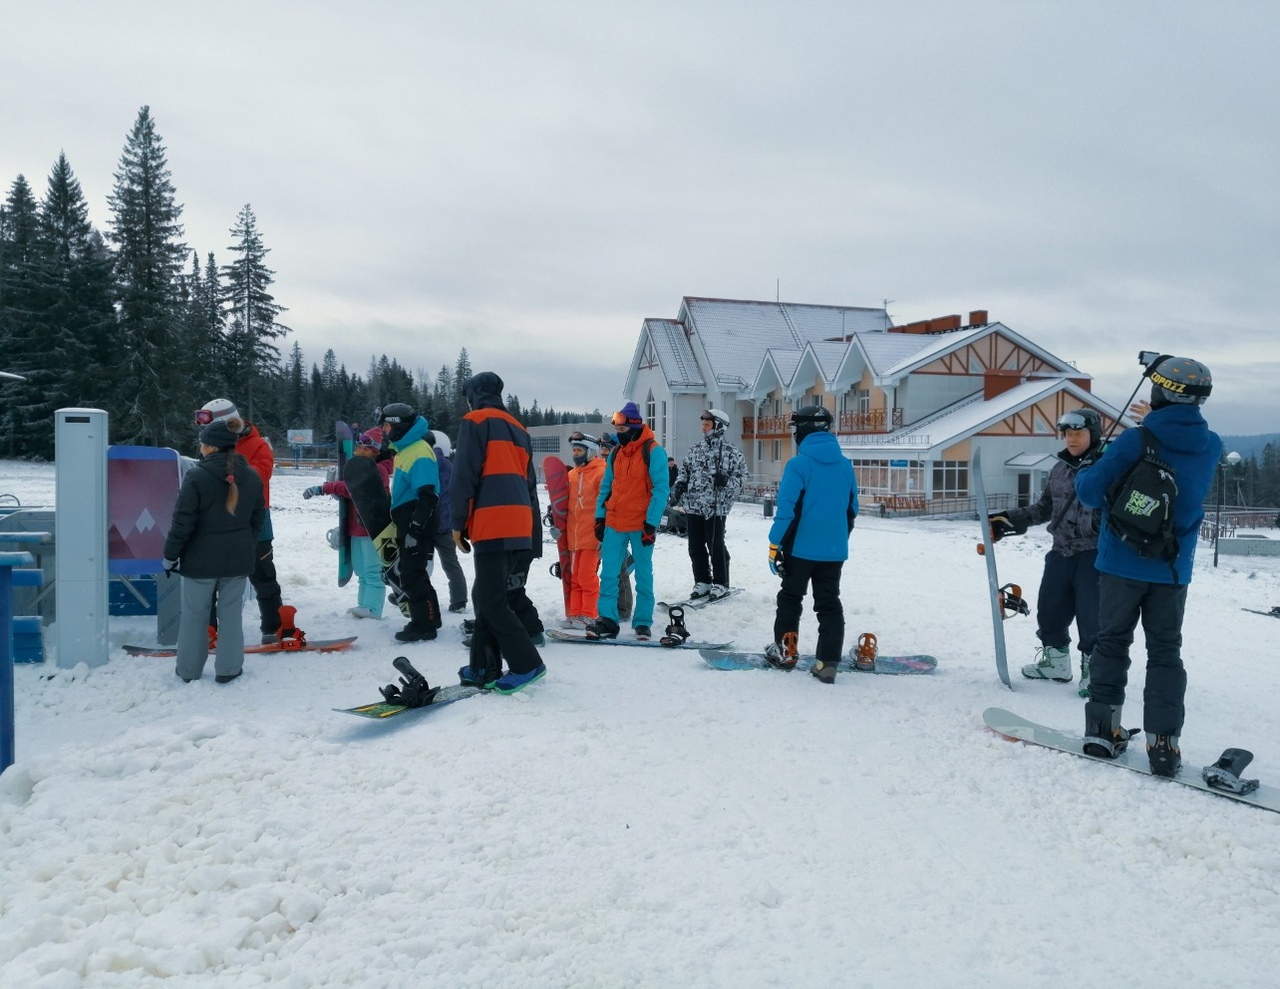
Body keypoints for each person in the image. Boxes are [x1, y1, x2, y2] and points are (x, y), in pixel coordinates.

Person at [1075, 356, 1220, 776]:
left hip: (1121, 563)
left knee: (1111, 643)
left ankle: (1103, 731)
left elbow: (1089, 493)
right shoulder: (1211, 444)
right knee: (1166, 653)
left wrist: (1097, 462)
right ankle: (1163, 745)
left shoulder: (1135, 440)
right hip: (1172, 569)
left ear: (1159, 393)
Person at [988, 408, 1103, 689]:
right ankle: (1056, 663)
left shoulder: (1106, 468)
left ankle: (1095, 672)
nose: (1071, 439)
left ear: (1093, 435)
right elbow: (1044, 508)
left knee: (1092, 616)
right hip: (1060, 551)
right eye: (1067, 434)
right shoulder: (1059, 469)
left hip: (1094, 553)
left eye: (1078, 434)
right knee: (1050, 609)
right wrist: (1009, 518)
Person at [451, 371, 547, 693]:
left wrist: (457, 522)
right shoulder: (519, 427)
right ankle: (484, 664)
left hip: (493, 519)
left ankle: (527, 664)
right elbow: (530, 482)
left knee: (491, 601)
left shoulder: (475, 421)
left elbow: (464, 475)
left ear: (473, 396)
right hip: (520, 520)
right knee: (486, 594)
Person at [164, 419, 265, 683]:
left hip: (199, 561)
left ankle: (188, 670)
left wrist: (170, 555)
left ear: (210, 446)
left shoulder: (196, 476)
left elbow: (182, 522)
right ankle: (229, 669)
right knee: (231, 615)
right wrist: (246, 545)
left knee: (194, 615)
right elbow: (258, 519)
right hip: (237, 560)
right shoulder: (252, 476)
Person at [764, 406, 858, 683]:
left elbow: (787, 511)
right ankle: (827, 663)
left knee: (791, 598)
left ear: (803, 430)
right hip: (834, 550)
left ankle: (786, 653)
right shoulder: (845, 465)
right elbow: (851, 509)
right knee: (829, 602)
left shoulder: (798, 465)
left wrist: (774, 545)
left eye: (796, 428)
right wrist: (838, 539)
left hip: (800, 548)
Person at [197, 399, 285, 642]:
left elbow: (260, 475)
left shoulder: (259, 446)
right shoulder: (211, 446)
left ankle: (274, 627)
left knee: (263, 575)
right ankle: (208, 629)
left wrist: (225, 472)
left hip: (254, 519)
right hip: (218, 519)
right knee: (210, 576)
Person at [587, 402, 669, 641]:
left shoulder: (654, 452)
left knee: (643, 575)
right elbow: (606, 487)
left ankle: (642, 622)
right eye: (617, 430)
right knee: (609, 574)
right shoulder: (616, 453)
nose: (618, 435)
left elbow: (661, 490)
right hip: (614, 522)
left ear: (634, 427)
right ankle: (607, 620)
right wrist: (599, 517)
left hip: (642, 525)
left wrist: (651, 524)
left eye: (622, 430)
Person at [304, 428, 393, 619]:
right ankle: (364, 604)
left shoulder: (378, 470)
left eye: (365, 446)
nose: (360, 449)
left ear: (375, 451)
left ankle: (373, 608)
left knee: (372, 570)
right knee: (361, 570)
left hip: (373, 528)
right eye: (359, 445)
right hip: (357, 527)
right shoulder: (362, 468)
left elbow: (352, 487)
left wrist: (324, 488)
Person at [379, 403, 444, 642]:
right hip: (410, 518)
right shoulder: (406, 450)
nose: (384, 431)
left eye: (386, 426)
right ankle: (431, 618)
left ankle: (423, 626)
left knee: (410, 574)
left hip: (418, 519)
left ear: (398, 426)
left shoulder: (419, 452)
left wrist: (415, 528)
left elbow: (428, 495)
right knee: (416, 571)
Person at [671, 408, 747, 599]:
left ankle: (721, 582)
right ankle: (703, 580)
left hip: (716, 507)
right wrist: (680, 483)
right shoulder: (695, 449)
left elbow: (742, 478)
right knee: (695, 546)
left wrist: (726, 481)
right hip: (693, 505)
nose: (703, 427)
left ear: (719, 426)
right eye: (702, 424)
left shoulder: (731, 452)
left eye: (707, 424)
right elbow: (685, 470)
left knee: (715, 546)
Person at [564, 432, 605, 627]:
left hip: (592, 535)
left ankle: (589, 614)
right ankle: (575, 613)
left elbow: (606, 503)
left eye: (579, 450)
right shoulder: (572, 475)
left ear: (591, 452)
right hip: (574, 536)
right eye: (573, 450)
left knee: (587, 576)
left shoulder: (601, 473)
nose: (575, 454)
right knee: (575, 577)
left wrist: (604, 531)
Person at [427, 431, 469, 614]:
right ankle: (459, 600)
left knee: (418, 563)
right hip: (446, 523)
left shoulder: (426, 463)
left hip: (429, 521)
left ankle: (408, 594)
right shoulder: (450, 466)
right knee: (451, 564)